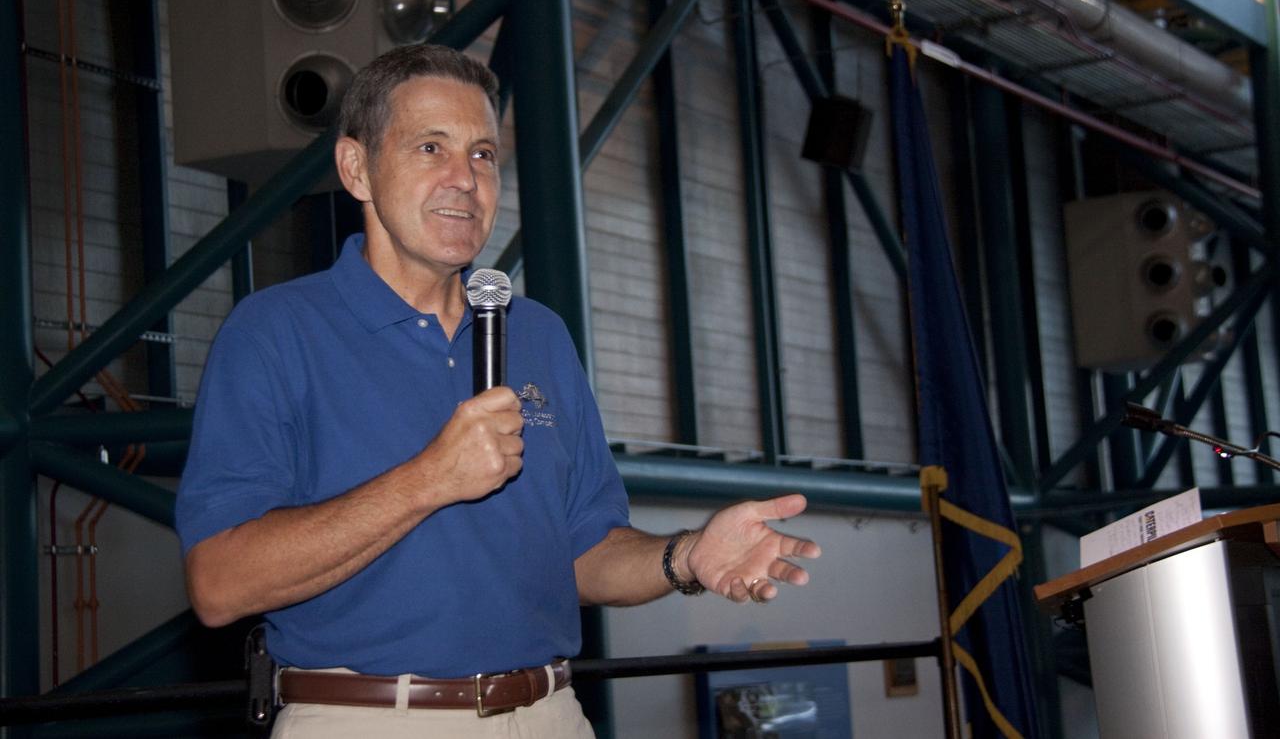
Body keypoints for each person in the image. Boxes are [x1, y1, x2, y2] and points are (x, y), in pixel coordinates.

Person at [175, 43, 821, 738]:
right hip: (370, 719)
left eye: (483, 154)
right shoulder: (275, 332)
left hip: (549, 713)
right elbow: (218, 583)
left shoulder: (537, 334)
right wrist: (430, 478)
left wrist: (686, 555)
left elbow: (583, 551)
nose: (465, 178)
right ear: (356, 168)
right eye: (431, 147)